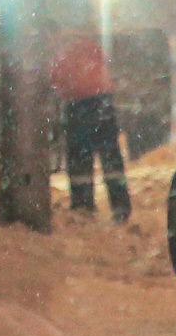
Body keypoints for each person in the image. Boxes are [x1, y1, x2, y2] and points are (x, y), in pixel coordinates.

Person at [48, 23, 131, 219]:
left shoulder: (62, 53)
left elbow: (56, 79)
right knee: (110, 157)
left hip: (79, 105)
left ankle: (83, 206)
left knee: (79, 160)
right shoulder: (90, 47)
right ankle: (121, 208)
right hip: (103, 103)